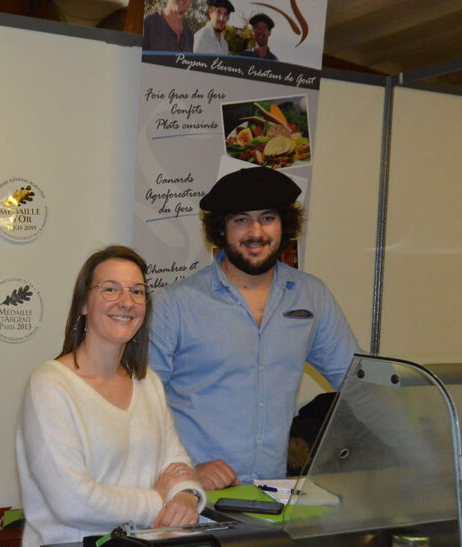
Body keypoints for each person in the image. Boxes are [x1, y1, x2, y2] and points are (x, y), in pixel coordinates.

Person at [149, 168, 360, 489]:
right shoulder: (174, 304)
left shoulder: (311, 296)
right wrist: (184, 469)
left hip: (271, 494)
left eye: (268, 218)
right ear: (221, 229)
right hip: (194, 497)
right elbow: (140, 407)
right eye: (241, 220)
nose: (256, 232)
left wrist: (424, 454)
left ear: (284, 224)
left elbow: (360, 384)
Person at [16, 245, 205, 547]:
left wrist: (187, 497)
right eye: (110, 289)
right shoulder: (50, 385)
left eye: (137, 291)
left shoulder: (148, 383)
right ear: (83, 304)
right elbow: (73, 501)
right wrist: (157, 501)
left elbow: (176, 465)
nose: (126, 302)